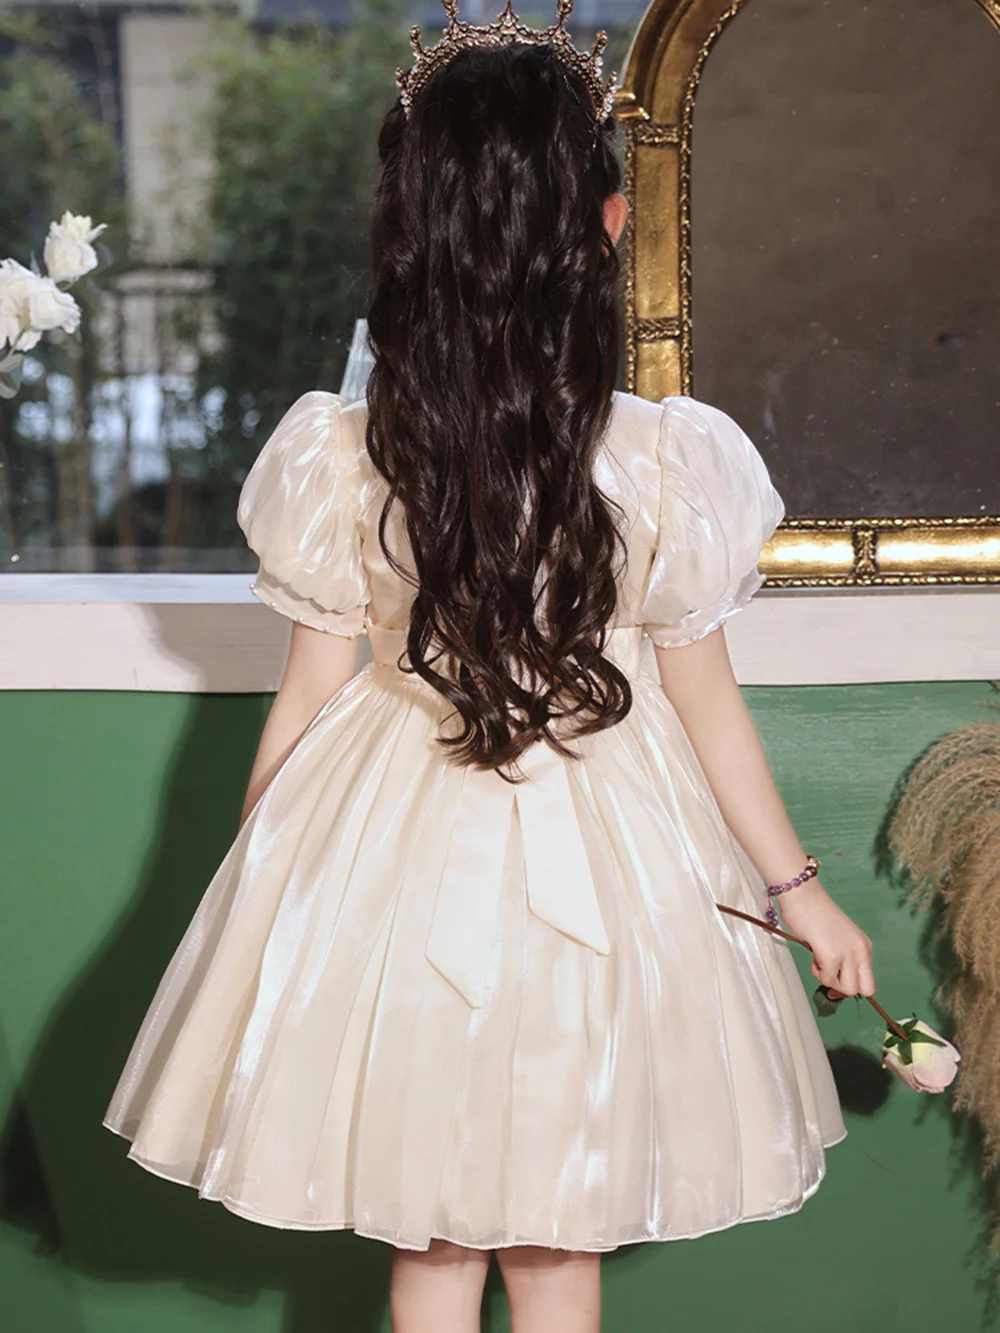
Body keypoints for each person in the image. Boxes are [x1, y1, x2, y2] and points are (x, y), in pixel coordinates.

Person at [103, 3, 876, 1330]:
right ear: (608, 226)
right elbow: (703, 699)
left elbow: (310, 692)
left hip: (393, 838)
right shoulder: (661, 460)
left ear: (411, 233)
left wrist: (269, 887)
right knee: (537, 1226)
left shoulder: (352, 454)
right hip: (599, 845)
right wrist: (797, 888)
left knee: (449, 1230)